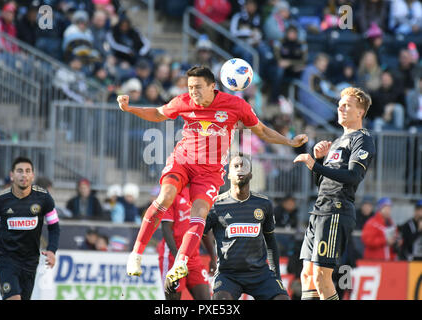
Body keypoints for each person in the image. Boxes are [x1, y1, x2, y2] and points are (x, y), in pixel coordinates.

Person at [118, 66, 308, 283]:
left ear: (212, 86)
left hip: (209, 172)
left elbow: (262, 131)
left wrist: (289, 141)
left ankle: (180, 262)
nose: (193, 92)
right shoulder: (183, 101)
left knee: (200, 212)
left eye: (198, 87)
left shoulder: (235, 105)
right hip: (182, 162)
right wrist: (130, 108)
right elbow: (159, 113)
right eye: (190, 87)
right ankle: (136, 254)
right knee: (165, 197)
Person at [293, 87, 376, 300]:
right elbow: (321, 183)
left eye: (347, 105)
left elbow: (353, 176)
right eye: (340, 104)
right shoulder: (338, 141)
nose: (340, 107)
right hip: (320, 209)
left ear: (360, 112)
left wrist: (314, 165)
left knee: (322, 276)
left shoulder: (363, 139)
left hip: (336, 211)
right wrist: (320, 160)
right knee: (307, 275)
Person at [203, 153, 289, 300]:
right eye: (235, 166)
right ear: (228, 175)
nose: (240, 169)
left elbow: (271, 241)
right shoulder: (216, 205)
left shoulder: (264, 204)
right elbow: (201, 233)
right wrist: (211, 256)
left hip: (260, 274)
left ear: (250, 175)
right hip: (228, 274)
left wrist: (276, 275)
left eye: (244, 166)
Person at [0, 157, 60, 300]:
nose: (23, 175)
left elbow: (54, 226)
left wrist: (52, 250)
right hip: (6, 259)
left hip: (30, 260)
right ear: (12, 175)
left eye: (27, 171)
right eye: (19, 171)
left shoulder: (44, 198)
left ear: (33, 175)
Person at [158, 186, 216, 300]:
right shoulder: (172, 193)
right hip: (172, 257)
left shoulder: (201, 195)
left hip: (193, 258)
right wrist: (178, 259)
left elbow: (205, 230)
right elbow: (166, 228)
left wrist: (213, 257)